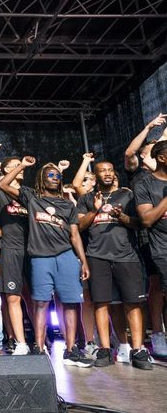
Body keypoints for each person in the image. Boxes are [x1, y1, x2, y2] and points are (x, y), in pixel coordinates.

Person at [0, 156, 93, 367]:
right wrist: (22, 165)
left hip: (66, 256)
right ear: (42, 178)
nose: (55, 178)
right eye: (50, 175)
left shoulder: (67, 204)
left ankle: (70, 350)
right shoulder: (32, 198)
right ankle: (39, 348)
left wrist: (83, 261)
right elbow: (3, 184)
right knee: (40, 303)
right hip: (41, 258)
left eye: (57, 176)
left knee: (70, 303)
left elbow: (75, 235)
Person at [77, 161, 152, 369]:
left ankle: (138, 350)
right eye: (103, 171)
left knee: (133, 303)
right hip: (96, 256)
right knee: (101, 303)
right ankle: (105, 349)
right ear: (96, 175)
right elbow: (80, 226)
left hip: (126, 256)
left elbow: (140, 223)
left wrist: (123, 216)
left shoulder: (127, 195)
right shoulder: (86, 198)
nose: (108, 173)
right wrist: (94, 210)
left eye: (111, 170)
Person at [0, 144, 32, 355]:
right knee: (12, 297)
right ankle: (18, 341)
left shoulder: (28, 193)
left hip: (32, 248)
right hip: (10, 248)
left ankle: (39, 339)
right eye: (14, 166)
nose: (20, 168)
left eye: (20, 165)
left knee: (35, 298)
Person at [126, 115, 167, 356]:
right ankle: (158, 333)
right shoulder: (139, 175)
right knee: (156, 285)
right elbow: (130, 152)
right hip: (149, 239)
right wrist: (148, 127)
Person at [135, 140, 167, 358]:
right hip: (158, 245)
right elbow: (146, 219)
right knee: (158, 287)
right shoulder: (144, 183)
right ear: (161, 158)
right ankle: (157, 334)